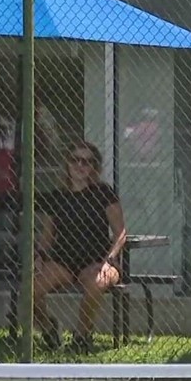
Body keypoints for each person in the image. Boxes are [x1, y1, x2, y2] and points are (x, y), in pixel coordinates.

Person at [34, 141, 126, 353]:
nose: (80, 165)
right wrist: (39, 256)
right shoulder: (57, 196)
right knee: (30, 289)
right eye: (75, 160)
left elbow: (121, 233)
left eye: (87, 162)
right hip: (63, 262)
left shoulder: (103, 192)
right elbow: (47, 235)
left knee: (97, 284)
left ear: (94, 167)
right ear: (67, 163)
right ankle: (48, 329)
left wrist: (109, 260)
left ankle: (82, 336)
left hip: (97, 260)